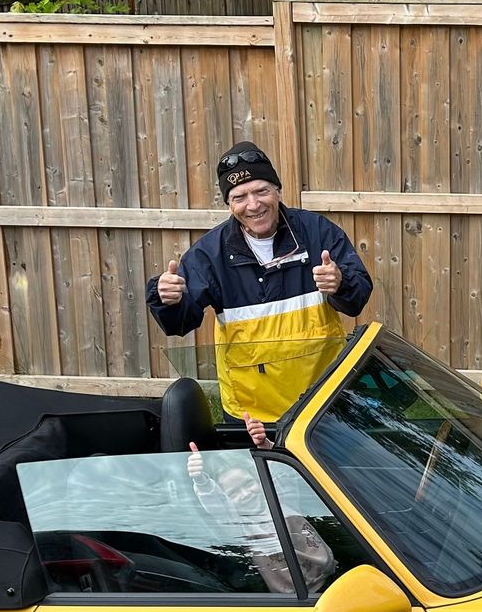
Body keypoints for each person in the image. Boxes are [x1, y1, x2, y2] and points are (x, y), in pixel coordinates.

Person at [146, 141, 372, 429]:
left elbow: (357, 298)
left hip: (322, 402)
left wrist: (341, 283)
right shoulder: (209, 254)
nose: (253, 205)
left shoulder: (317, 231)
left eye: (261, 191)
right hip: (250, 411)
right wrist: (167, 299)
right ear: (229, 204)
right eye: (239, 197)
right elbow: (180, 323)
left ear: (278, 191)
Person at [185, 443, 338, 597]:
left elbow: (282, 472)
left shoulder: (280, 498)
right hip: (296, 597)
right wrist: (201, 481)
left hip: (331, 577)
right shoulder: (239, 523)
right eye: (234, 493)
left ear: (259, 479)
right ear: (226, 499)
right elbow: (216, 504)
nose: (245, 494)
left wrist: (266, 448)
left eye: (249, 483)